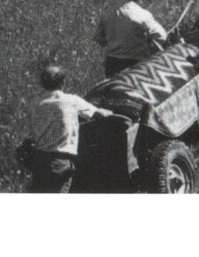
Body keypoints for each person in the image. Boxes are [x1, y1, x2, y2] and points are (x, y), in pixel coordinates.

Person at [24, 64, 126, 193]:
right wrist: (112, 112)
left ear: (42, 83)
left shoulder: (34, 103)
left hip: (39, 161)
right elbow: (98, 114)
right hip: (60, 162)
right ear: (63, 82)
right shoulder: (71, 101)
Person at [95, 0, 168, 77]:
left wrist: (114, 42)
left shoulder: (108, 14)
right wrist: (149, 46)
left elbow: (99, 38)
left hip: (112, 63)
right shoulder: (142, 14)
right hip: (135, 64)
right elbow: (161, 35)